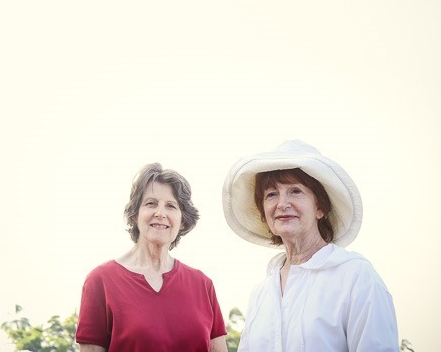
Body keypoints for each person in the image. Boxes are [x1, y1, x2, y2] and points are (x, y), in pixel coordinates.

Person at [222, 139, 399, 351]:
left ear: (320, 208)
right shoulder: (261, 292)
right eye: (271, 194)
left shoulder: (356, 277)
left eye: (295, 191)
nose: (282, 203)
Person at [76, 163, 228, 352]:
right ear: (134, 215)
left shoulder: (203, 285)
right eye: (151, 203)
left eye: (171, 206)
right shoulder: (100, 281)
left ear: (182, 221)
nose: (160, 213)